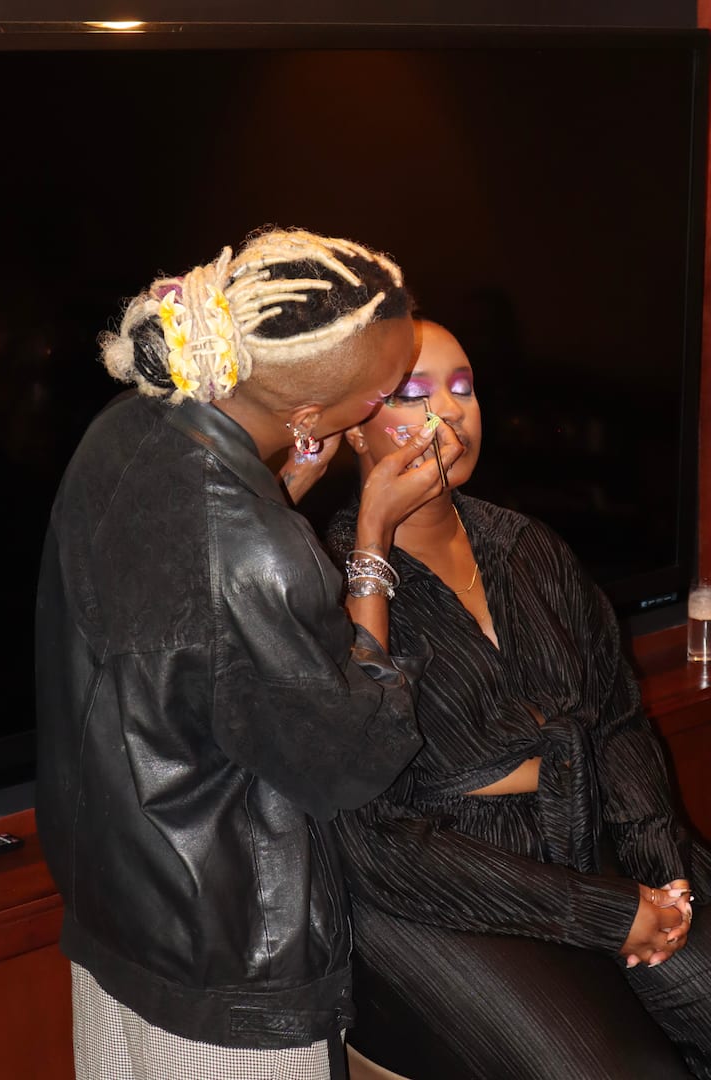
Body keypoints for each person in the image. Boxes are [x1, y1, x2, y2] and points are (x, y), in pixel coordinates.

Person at [34, 230, 463, 1080]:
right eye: (382, 396)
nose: (398, 412)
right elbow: (349, 759)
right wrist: (370, 542)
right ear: (308, 417)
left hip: (115, 909)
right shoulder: (254, 549)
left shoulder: (122, 432)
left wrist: (280, 489)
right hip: (226, 971)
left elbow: (187, 630)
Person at [324, 318, 711, 1080]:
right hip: (437, 883)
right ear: (354, 431)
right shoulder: (327, 584)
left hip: (580, 828)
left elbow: (617, 720)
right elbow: (378, 838)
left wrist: (661, 869)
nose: (449, 411)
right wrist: (606, 913)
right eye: (413, 393)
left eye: (463, 388)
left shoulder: (529, 547)